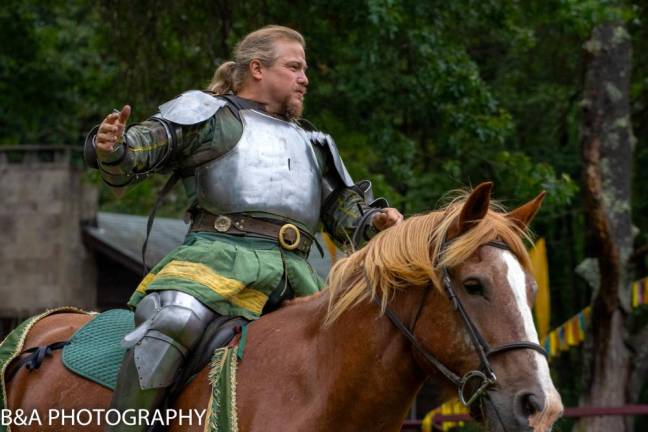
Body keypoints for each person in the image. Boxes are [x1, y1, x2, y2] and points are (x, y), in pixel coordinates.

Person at [84, 25, 403, 430]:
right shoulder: (209, 116)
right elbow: (144, 147)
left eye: (304, 70)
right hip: (215, 260)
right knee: (174, 319)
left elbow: (343, 210)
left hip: (297, 276)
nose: (305, 78)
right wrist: (113, 146)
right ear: (257, 69)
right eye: (294, 67)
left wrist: (375, 220)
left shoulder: (313, 142)